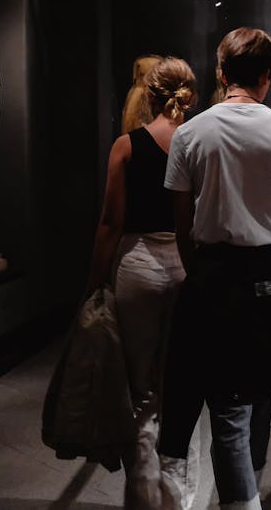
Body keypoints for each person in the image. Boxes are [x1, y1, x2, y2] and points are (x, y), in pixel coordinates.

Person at [158, 27, 271, 510]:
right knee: (262, 395)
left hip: (215, 276)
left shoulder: (191, 133)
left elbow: (182, 225)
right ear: (269, 76)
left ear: (221, 72)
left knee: (227, 405)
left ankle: (241, 499)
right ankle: (245, 494)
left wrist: (203, 270)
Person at [84, 56, 198, 509]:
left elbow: (111, 222)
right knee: (181, 388)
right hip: (188, 266)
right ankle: (178, 495)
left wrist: (94, 285)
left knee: (142, 392)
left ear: (148, 96)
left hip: (137, 266)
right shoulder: (198, 144)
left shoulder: (126, 146)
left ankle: (144, 497)